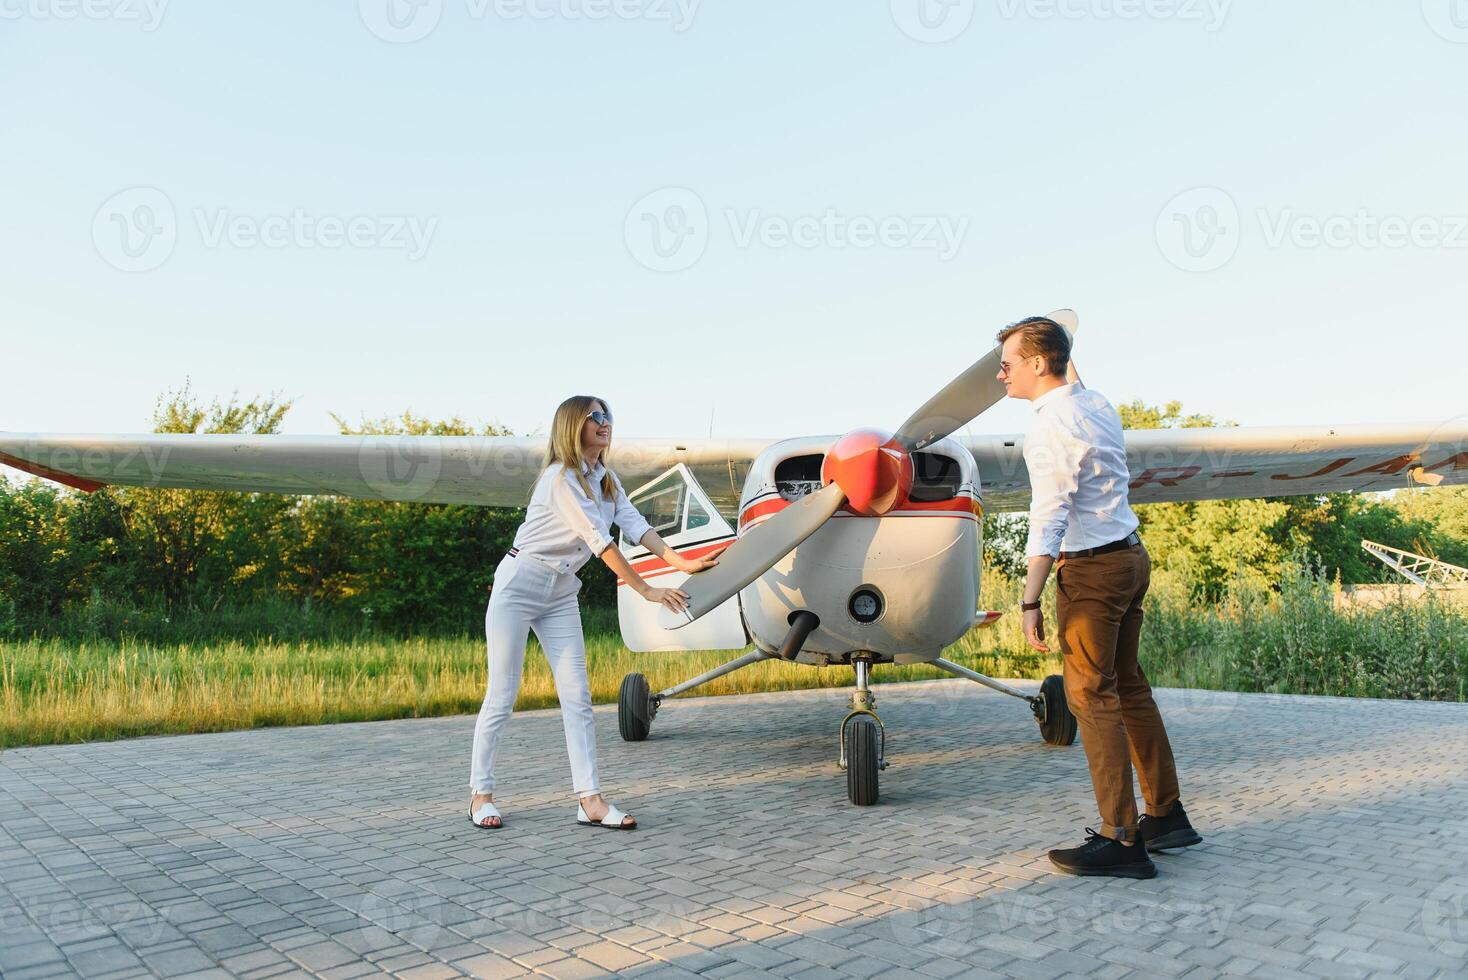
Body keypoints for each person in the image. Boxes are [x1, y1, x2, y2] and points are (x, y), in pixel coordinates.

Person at [997, 316, 1202, 878]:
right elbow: (1075, 379)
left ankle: (1121, 837)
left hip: (1093, 573)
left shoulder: (1049, 428)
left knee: (1090, 697)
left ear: (1039, 363)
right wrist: (1059, 337)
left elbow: (1050, 515)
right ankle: (1166, 815)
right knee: (1129, 685)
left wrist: (1030, 599)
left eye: (1009, 362)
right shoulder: (1095, 405)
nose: (1000, 373)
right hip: (1131, 557)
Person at [467, 395, 717, 831]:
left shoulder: (605, 479)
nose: (605, 423)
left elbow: (635, 525)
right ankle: (480, 796)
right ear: (572, 426)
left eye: (608, 417)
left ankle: (590, 801)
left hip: (561, 590)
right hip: (519, 584)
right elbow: (600, 542)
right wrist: (645, 590)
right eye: (595, 417)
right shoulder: (559, 479)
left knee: (578, 698)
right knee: (503, 695)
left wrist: (681, 565)